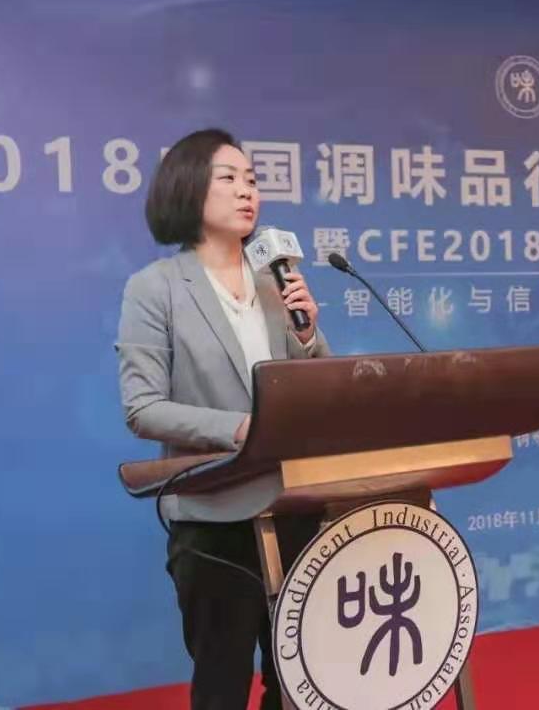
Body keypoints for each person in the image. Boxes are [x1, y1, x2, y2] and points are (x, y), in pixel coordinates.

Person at [115, 128, 329, 709]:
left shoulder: (275, 283)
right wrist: (240, 429)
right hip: (214, 519)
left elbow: (320, 389)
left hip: (295, 507)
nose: (246, 191)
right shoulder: (154, 288)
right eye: (228, 178)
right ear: (188, 189)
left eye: (252, 180)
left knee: (303, 683)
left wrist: (307, 334)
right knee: (222, 686)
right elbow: (143, 407)